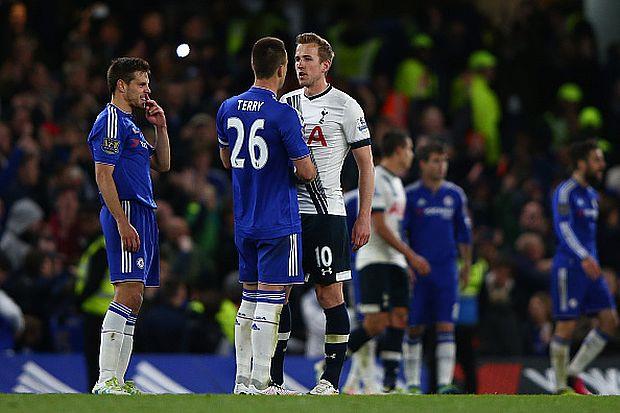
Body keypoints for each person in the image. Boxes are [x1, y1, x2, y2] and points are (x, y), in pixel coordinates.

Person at [216, 37, 316, 395]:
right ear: (282, 69)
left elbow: (226, 160)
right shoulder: (283, 114)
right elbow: (307, 171)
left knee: (248, 298)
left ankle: (241, 380)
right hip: (277, 218)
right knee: (272, 301)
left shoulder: (227, 108)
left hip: (244, 219)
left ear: (253, 66)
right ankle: (261, 379)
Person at [277, 32, 375, 395]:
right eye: (297, 59)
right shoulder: (286, 103)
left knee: (329, 296)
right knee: (279, 294)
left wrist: (363, 216)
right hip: (287, 214)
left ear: (325, 65)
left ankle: (330, 381)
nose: (300, 65)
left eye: (307, 59)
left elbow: (366, 165)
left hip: (326, 214)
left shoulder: (346, 106)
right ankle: (273, 380)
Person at [87, 57, 170, 395]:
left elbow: (163, 164)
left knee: (135, 296)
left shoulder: (132, 124)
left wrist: (161, 127)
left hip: (143, 212)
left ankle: (118, 380)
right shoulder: (109, 120)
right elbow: (102, 175)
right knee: (126, 291)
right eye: (141, 84)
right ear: (121, 85)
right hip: (125, 209)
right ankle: (106, 378)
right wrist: (122, 222)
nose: (147, 90)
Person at [347, 131, 427, 393]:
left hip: (395, 261)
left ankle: (390, 384)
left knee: (399, 317)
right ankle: (330, 361)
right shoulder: (377, 177)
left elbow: (396, 226)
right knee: (376, 323)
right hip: (375, 259)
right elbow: (380, 226)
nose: (411, 155)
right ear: (399, 150)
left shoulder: (397, 183)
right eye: (410, 149)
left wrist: (404, 261)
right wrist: (411, 256)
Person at [402, 142, 473, 394]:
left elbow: (464, 233)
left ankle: (444, 383)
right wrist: (407, 262)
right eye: (435, 160)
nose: (441, 166)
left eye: (444, 161)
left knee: (446, 325)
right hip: (418, 271)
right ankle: (412, 383)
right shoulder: (410, 195)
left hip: (446, 270)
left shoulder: (455, 195)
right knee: (414, 326)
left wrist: (466, 265)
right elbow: (402, 233)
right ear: (422, 164)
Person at [549, 139, 619, 395]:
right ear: (581, 163)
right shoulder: (565, 191)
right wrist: (582, 256)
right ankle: (559, 387)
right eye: (597, 160)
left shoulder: (592, 196)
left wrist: (593, 260)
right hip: (570, 266)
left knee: (609, 321)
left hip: (592, 267)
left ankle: (573, 372)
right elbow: (563, 227)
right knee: (566, 325)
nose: (602, 165)